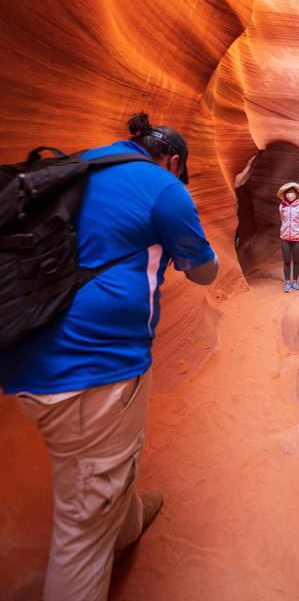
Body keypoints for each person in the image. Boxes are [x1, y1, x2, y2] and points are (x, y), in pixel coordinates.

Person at [0, 112, 218, 601]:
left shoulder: (80, 166)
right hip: (92, 370)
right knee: (83, 524)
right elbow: (203, 271)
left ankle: (128, 523)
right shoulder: (163, 187)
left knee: (117, 449)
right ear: (175, 161)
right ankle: (105, 534)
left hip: (29, 355)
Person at [277, 182, 299, 292]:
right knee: (286, 261)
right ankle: (287, 283)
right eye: (288, 192)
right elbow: (282, 219)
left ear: (297, 194)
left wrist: (296, 229)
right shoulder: (281, 207)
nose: (291, 194)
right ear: (285, 194)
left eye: (293, 192)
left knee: (296, 260)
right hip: (284, 237)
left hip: (297, 238)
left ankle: (295, 281)